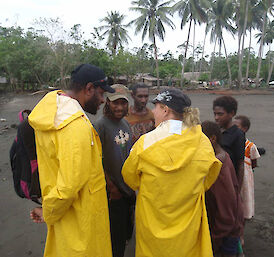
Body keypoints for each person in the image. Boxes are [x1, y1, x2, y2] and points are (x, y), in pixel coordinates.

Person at [122, 89, 222, 257]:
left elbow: (130, 177)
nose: (153, 112)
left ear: (165, 110)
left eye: (156, 108)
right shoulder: (202, 141)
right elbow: (209, 177)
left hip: (152, 222)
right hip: (187, 225)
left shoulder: (145, 143)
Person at [28, 64, 114, 257]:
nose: (102, 101)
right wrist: (48, 212)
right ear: (89, 88)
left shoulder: (53, 111)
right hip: (81, 223)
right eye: (100, 94)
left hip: (67, 215)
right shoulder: (74, 126)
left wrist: (48, 208)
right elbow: (68, 187)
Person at [94, 84, 135, 257]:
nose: (119, 107)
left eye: (123, 103)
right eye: (114, 103)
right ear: (107, 104)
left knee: (127, 231)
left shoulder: (125, 123)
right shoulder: (101, 125)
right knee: (115, 238)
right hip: (113, 192)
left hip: (127, 189)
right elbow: (95, 161)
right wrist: (111, 187)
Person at [202, 121, 244, 257]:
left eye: (200, 140)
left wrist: (214, 238)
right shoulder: (223, 156)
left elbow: (226, 211)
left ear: (212, 139)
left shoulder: (218, 166)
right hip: (227, 229)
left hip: (225, 233)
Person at [213, 96, 245, 190]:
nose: (216, 118)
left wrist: (237, 190)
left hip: (229, 181)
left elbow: (240, 164)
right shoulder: (215, 131)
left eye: (220, 114)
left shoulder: (238, 134)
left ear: (232, 113)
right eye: (215, 114)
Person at [234, 115, 260, 219]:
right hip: (235, 171)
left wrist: (249, 170)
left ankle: (247, 213)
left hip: (246, 175)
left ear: (244, 128)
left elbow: (254, 161)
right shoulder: (231, 143)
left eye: (236, 126)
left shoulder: (250, 146)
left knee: (246, 193)